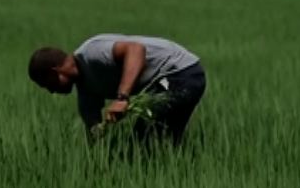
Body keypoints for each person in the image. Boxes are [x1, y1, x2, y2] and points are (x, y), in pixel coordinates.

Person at [28, 34, 207, 145]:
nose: (51, 92)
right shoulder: (86, 92)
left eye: (47, 86)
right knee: (163, 142)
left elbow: (136, 49)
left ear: (54, 73)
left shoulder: (92, 52)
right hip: (167, 81)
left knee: (145, 132)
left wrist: (122, 98)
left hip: (180, 72)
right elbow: (94, 133)